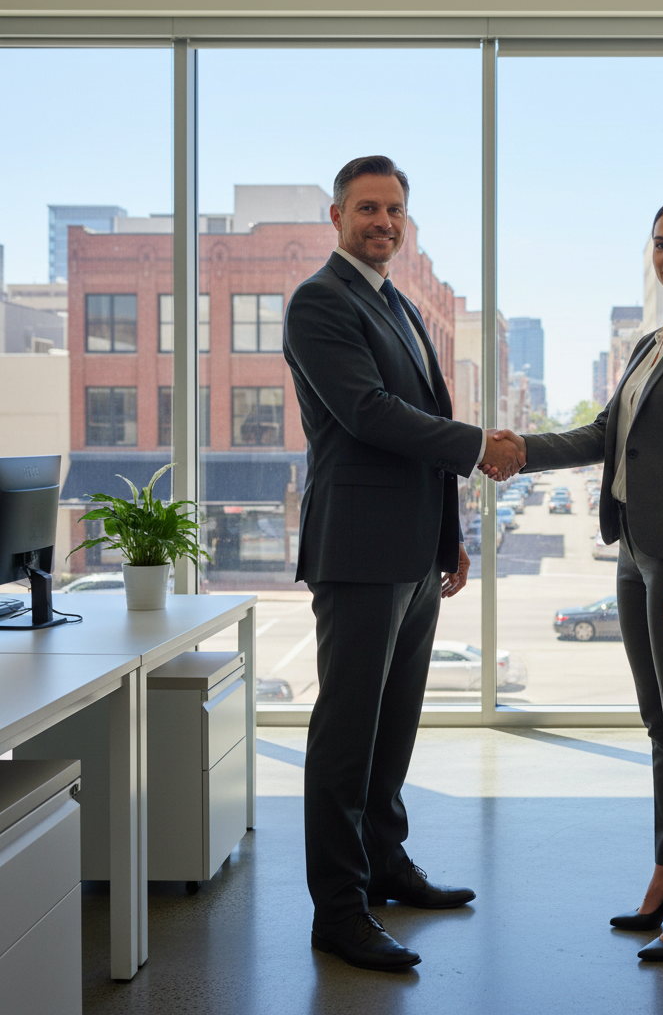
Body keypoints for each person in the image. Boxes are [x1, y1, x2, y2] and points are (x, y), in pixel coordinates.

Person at [485, 197, 663, 962]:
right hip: (635, 552)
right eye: (662, 244)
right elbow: (608, 436)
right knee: (659, 725)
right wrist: (520, 450)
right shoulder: (652, 341)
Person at [283, 155, 523, 972]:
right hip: (357, 549)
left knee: (393, 730)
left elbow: (421, 413)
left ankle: (387, 863)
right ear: (338, 215)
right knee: (346, 737)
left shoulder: (399, 303)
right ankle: (338, 912)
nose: (382, 222)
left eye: (394, 211)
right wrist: (477, 448)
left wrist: (448, 536)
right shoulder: (321, 300)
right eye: (367, 209)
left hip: (415, 549)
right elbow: (368, 413)